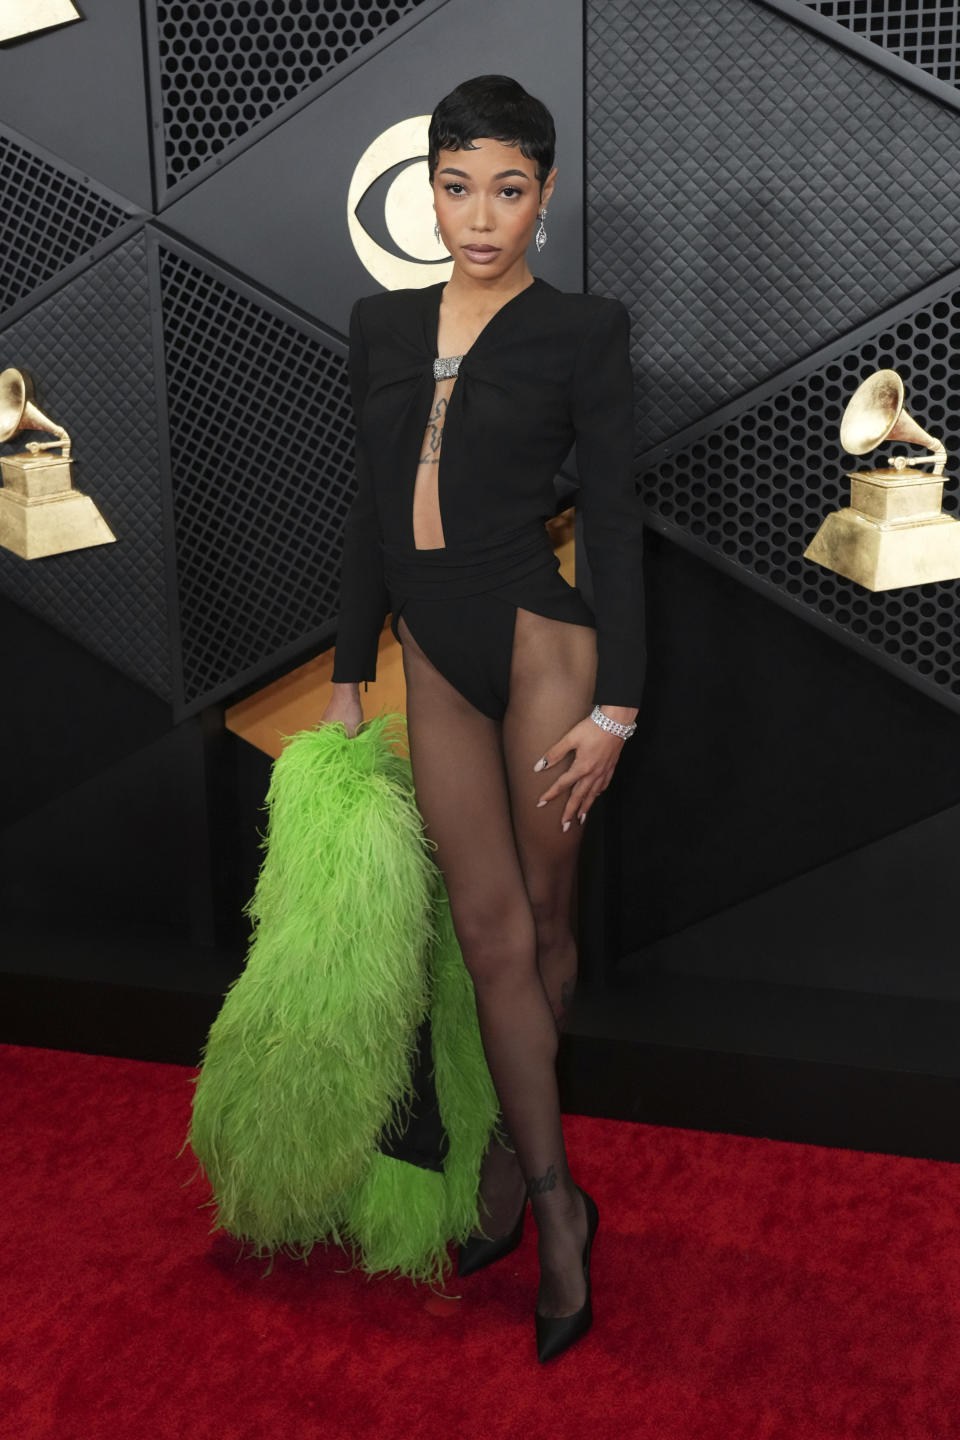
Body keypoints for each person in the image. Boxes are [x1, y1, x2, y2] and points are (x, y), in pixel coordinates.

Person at [318, 74, 646, 1363]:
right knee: (488, 932)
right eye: (458, 186)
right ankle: (551, 1189)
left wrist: (618, 705)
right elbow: (368, 510)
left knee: (546, 924)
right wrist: (349, 673)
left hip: (540, 647)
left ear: (544, 195)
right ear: (430, 188)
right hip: (427, 644)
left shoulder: (582, 330)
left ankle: (531, 1185)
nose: (480, 215)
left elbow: (613, 521)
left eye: (508, 189)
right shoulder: (379, 322)